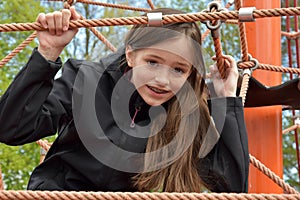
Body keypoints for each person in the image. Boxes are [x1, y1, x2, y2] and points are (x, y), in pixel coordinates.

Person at [0, 7, 249, 193]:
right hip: (57, 193)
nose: (163, 80)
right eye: (152, 62)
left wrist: (226, 100)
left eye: (178, 70)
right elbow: (11, 129)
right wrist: (48, 53)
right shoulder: (86, 78)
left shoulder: (185, 111)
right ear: (131, 55)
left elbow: (232, 187)